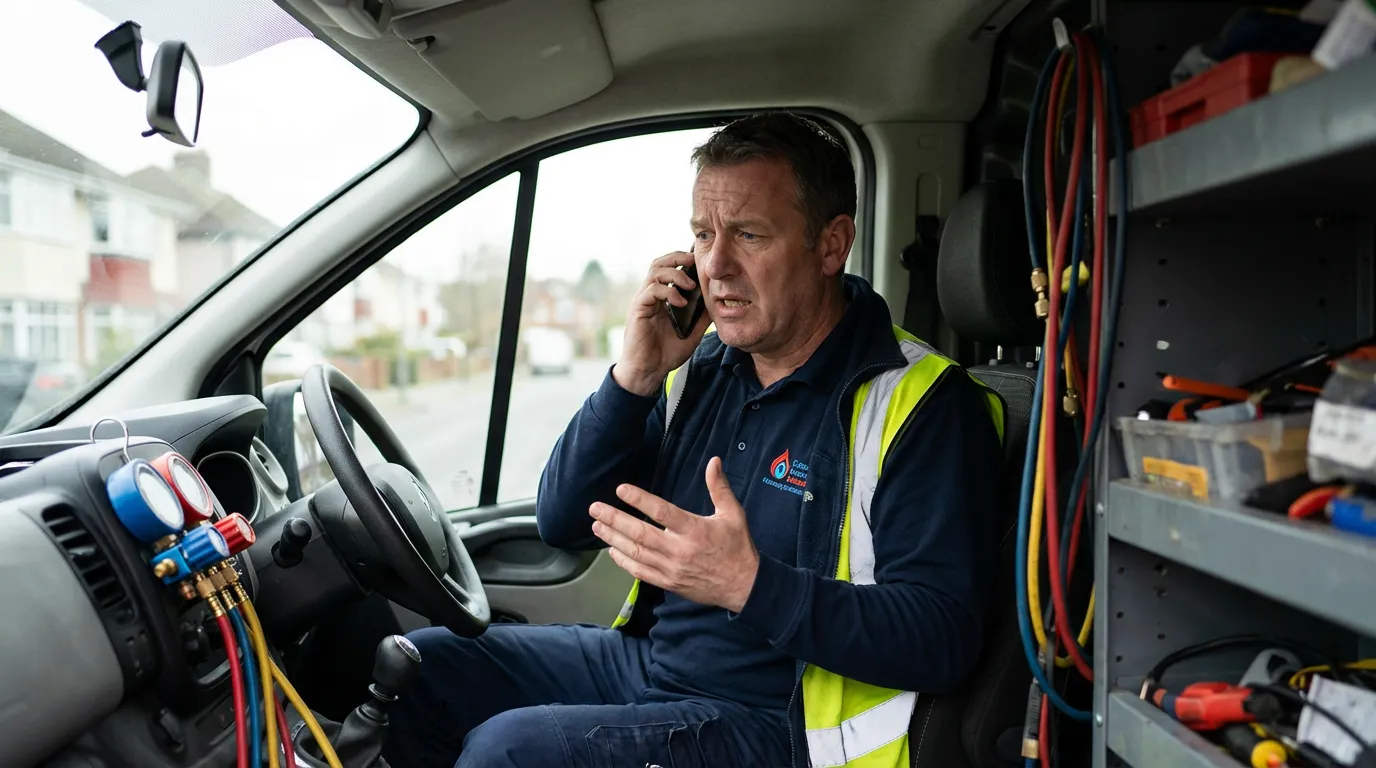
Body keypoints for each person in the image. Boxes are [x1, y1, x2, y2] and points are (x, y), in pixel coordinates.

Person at [384, 113, 1004, 768]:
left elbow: (943, 637)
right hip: (654, 667)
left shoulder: (924, 403)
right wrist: (637, 376)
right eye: (702, 235)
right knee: (423, 669)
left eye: (749, 235)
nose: (715, 265)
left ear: (831, 245)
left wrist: (749, 584)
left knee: (506, 753)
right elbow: (563, 521)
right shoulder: (705, 369)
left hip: (784, 724)